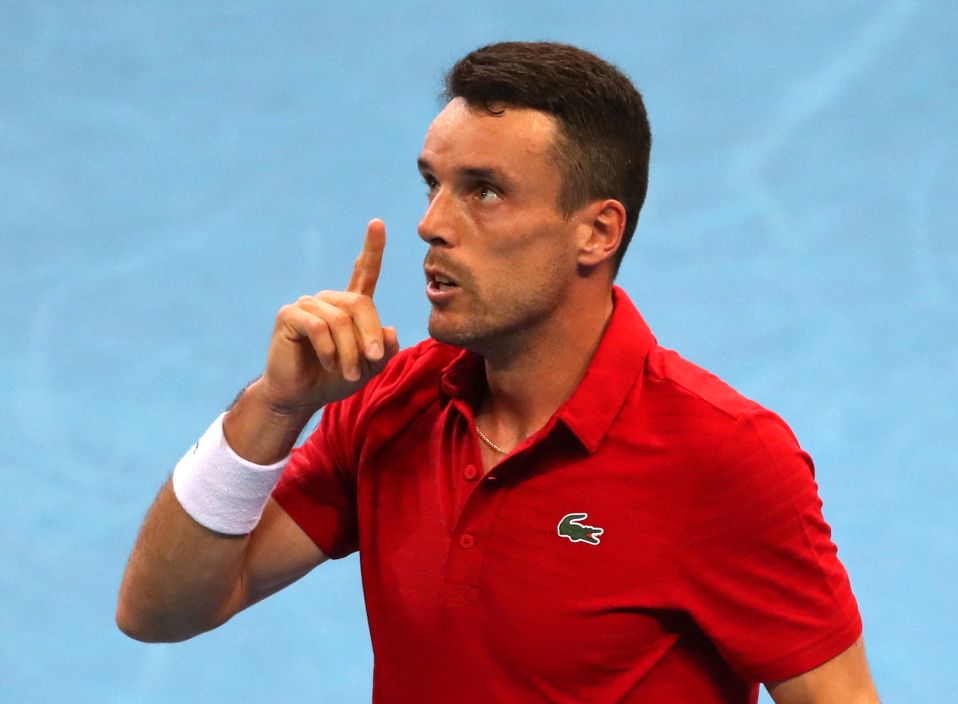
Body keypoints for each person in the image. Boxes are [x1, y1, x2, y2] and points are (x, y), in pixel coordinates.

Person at [117, 42, 879, 703]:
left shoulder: (725, 457)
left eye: (484, 192)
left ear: (597, 232)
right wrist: (274, 408)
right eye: (433, 184)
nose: (432, 224)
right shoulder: (390, 403)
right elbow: (159, 611)